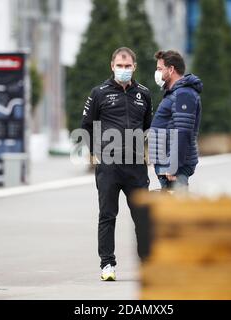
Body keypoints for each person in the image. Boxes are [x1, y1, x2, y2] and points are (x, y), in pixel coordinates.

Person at [81, 47, 153, 281]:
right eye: (119, 66)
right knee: (107, 215)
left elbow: (148, 127)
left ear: (135, 67)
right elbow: (86, 126)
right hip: (109, 166)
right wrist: (95, 153)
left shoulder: (144, 94)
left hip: (136, 166)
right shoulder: (98, 93)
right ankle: (107, 265)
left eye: (128, 66)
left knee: (142, 216)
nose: (124, 70)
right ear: (112, 66)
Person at [149, 50, 203, 191]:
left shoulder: (184, 94)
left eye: (160, 69)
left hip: (174, 168)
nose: (157, 73)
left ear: (171, 69)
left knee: (178, 211)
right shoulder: (175, 93)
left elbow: (183, 132)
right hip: (166, 163)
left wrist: (174, 165)